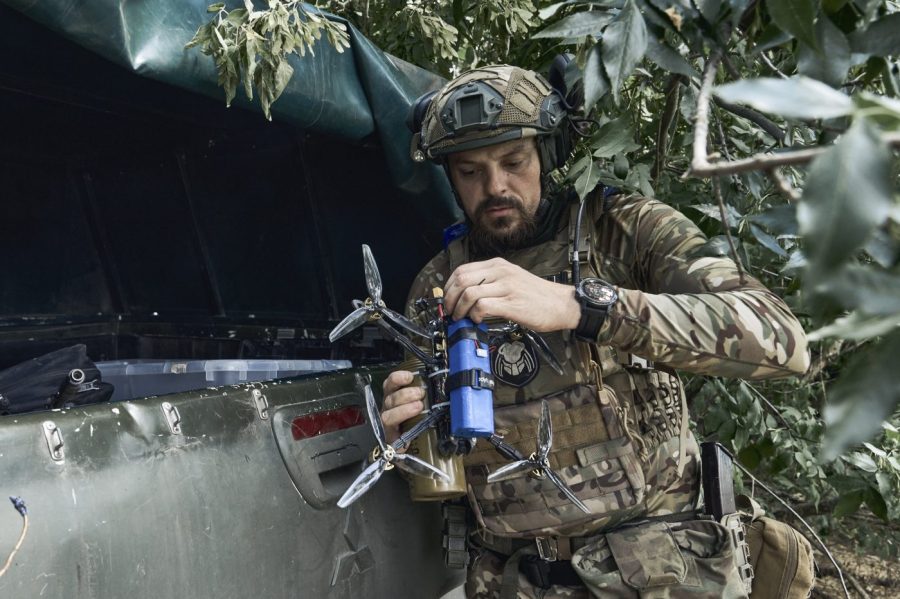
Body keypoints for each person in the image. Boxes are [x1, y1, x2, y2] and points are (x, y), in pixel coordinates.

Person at [381, 63, 809, 599]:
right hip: (512, 580)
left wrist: (582, 306)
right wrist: (408, 438)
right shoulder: (440, 286)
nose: (495, 187)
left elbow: (781, 340)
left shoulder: (624, 233)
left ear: (548, 153)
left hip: (660, 575)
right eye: (469, 172)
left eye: (513, 162)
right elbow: (441, 473)